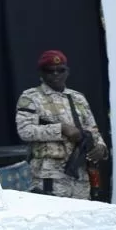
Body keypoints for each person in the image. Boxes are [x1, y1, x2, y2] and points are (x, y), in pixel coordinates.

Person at [15, 49, 107, 199]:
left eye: (60, 70)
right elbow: (25, 131)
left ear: (67, 71)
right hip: (49, 175)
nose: (56, 74)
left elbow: (92, 128)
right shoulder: (31, 97)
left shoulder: (77, 98)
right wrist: (61, 129)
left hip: (80, 174)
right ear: (41, 73)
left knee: (82, 212)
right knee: (51, 213)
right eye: (50, 71)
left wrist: (101, 147)